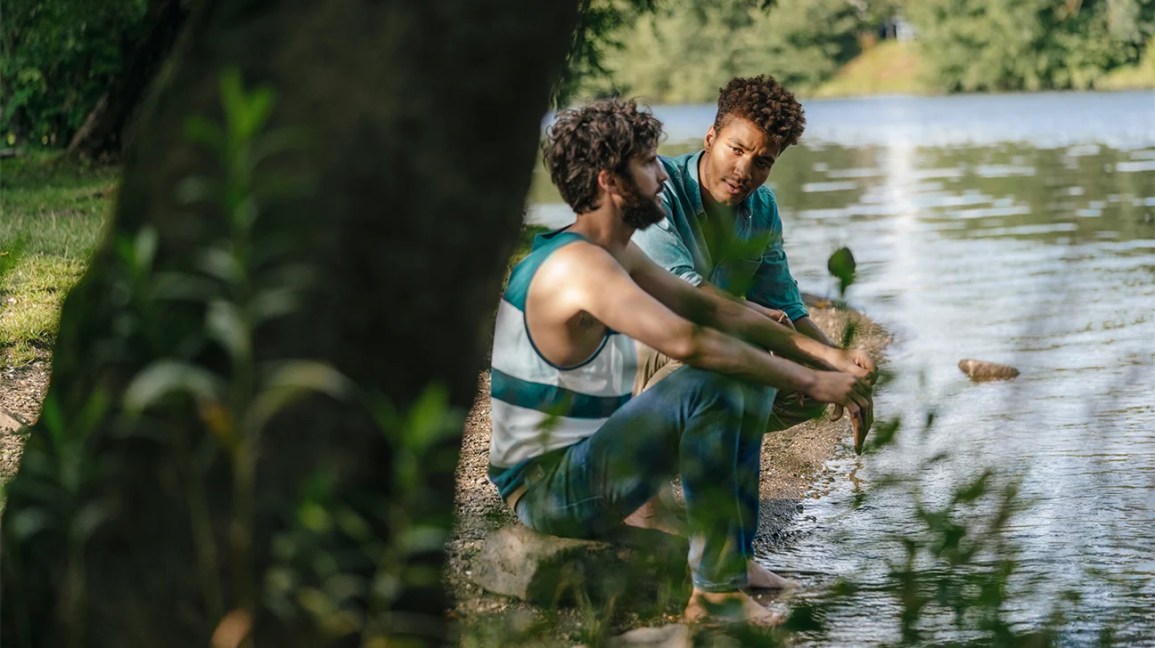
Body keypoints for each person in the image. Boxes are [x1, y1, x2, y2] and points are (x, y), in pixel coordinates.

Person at [486, 98, 873, 626]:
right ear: (609, 180)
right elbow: (691, 341)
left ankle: (732, 562)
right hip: (549, 491)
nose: (662, 176)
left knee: (747, 365)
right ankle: (713, 595)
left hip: (588, 463)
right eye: (648, 164)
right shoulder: (579, 266)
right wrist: (810, 381)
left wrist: (827, 358)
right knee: (715, 379)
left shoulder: (613, 252)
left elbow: (711, 307)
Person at [631, 74, 874, 449]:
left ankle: (694, 448)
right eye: (737, 150)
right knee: (744, 344)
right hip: (633, 352)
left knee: (803, 392)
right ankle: (635, 442)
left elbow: (786, 305)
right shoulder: (657, 187)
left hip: (703, 349)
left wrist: (836, 362)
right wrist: (764, 321)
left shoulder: (762, 208)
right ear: (711, 137)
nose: (745, 172)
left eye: (763, 162)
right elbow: (692, 298)